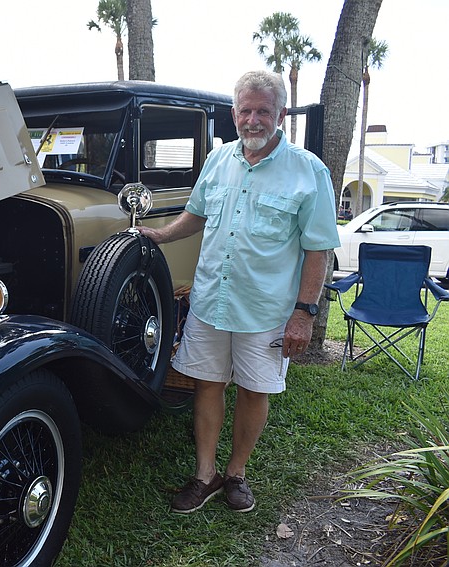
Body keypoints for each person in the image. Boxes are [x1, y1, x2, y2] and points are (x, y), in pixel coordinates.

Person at [138, 70, 340, 514]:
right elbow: (196, 214)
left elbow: (318, 250)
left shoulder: (308, 171)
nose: (253, 120)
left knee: (253, 390)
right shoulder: (218, 160)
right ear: (233, 114)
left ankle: (237, 474)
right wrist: (163, 235)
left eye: (263, 111)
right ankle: (204, 474)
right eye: (245, 111)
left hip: (266, 308)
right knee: (207, 385)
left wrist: (304, 312)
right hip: (212, 300)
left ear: (281, 114)